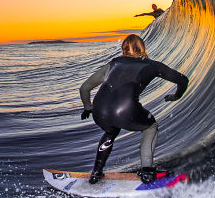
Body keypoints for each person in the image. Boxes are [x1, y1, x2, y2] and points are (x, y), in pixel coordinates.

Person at [78, 34, 188, 184]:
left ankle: (96, 172)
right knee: (151, 127)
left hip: (99, 110)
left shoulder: (114, 63)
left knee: (110, 131)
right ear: (142, 48)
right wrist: (177, 95)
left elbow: (84, 88)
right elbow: (182, 79)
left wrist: (88, 108)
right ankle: (147, 170)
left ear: (124, 49)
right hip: (125, 110)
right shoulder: (152, 66)